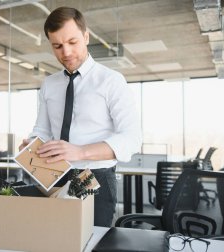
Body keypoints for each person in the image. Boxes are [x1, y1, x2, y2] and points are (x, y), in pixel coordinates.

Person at [19, 6, 142, 227]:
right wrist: (33, 144)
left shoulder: (111, 81)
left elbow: (131, 138)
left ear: (86, 37)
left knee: (89, 242)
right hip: (54, 175)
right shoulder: (49, 84)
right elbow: (43, 130)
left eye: (72, 42)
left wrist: (80, 151)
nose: (65, 52)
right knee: (55, 239)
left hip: (93, 176)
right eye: (57, 46)